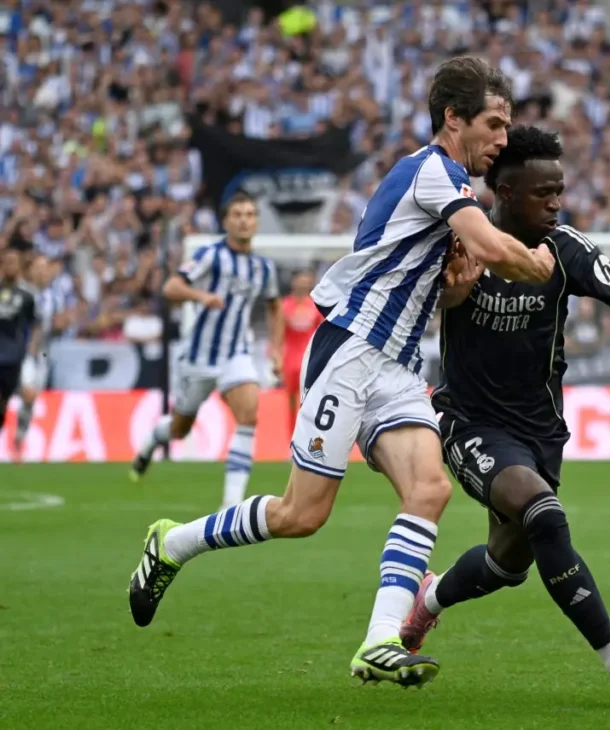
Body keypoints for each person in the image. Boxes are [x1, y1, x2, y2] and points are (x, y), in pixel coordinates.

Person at [126, 57, 555, 688]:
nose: (502, 139)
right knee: (301, 515)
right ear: (453, 119)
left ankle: (380, 641)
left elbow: (438, 289)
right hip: (351, 353)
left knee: (429, 490)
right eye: (493, 124)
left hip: (398, 368)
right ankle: (173, 543)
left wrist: (458, 288)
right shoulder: (432, 172)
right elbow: (495, 249)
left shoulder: (448, 189)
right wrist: (540, 262)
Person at [400, 126, 610, 702]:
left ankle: (430, 600)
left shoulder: (566, 247)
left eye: (559, 191)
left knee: (506, 564)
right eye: (544, 193)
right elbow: (412, 302)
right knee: (544, 513)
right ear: (505, 193)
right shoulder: (460, 242)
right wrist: (447, 296)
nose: (556, 203)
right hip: (470, 423)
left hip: (540, 431)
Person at [129, 191, 283, 511]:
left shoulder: (263, 267)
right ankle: (151, 440)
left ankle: (230, 504)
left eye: (250, 214)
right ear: (226, 222)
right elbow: (171, 287)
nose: (244, 220)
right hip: (199, 357)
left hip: (236, 354)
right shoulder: (210, 255)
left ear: (256, 221)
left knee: (249, 415)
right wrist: (202, 297)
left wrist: (276, 350)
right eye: (237, 214)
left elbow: (274, 306)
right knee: (179, 428)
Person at [12, 255, 64, 460]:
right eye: (38, 267)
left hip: (43, 352)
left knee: (32, 398)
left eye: (45, 267)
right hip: (22, 350)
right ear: (30, 270)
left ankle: (20, 436)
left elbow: (55, 326)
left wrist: (62, 324)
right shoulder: (21, 292)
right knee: (28, 391)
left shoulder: (53, 296)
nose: (42, 271)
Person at [0, 248, 39, 444]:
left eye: (13, 262)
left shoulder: (28, 294)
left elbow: (36, 324)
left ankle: (22, 430)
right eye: (6, 261)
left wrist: (33, 347)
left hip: (19, 354)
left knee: (29, 392)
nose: (10, 266)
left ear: (19, 266)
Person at [277, 269, 322, 426]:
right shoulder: (285, 305)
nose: (304, 284)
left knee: (311, 399)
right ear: (293, 282)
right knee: (291, 399)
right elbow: (278, 334)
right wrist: (276, 357)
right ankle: (292, 434)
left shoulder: (315, 305)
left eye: (307, 281)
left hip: (310, 358)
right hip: (290, 359)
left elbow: (321, 332)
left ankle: (308, 432)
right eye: (301, 280)